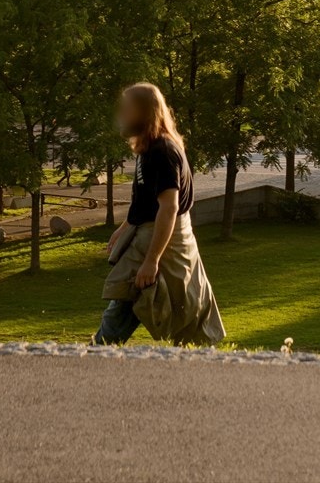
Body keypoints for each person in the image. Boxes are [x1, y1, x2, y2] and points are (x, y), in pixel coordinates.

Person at [93, 83, 225, 347]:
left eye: (128, 109)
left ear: (144, 112)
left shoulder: (162, 152)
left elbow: (169, 208)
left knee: (182, 303)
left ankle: (99, 351)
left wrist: (152, 260)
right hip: (148, 234)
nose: (122, 115)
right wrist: (124, 228)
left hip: (164, 239)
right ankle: (101, 347)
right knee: (131, 294)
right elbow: (146, 201)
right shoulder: (148, 148)